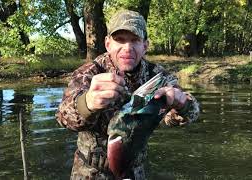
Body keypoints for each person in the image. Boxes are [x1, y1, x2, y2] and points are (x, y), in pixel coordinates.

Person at [56, 9, 200, 180]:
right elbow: (63, 118)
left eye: (135, 40)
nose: (128, 48)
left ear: (145, 45)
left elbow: (188, 114)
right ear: (108, 43)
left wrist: (181, 105)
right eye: (120, 40)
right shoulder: (89, 73)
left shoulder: (157, 76)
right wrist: (87, 103)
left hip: (134, 170)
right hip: (89, 171)